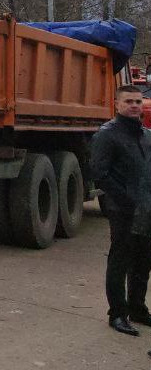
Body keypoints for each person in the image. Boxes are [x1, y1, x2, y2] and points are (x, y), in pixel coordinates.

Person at [90, 85, 151, 336]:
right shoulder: (107, 134)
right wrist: (125, 200)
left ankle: (137, 307)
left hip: (147, 208)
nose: (134, 105)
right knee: (120, 259)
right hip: (123, 209)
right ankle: (117, 313)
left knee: (144, 260)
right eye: (128, 101)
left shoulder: (146, 135)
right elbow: (100, 173)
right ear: (117, 104)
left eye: (138, 101)